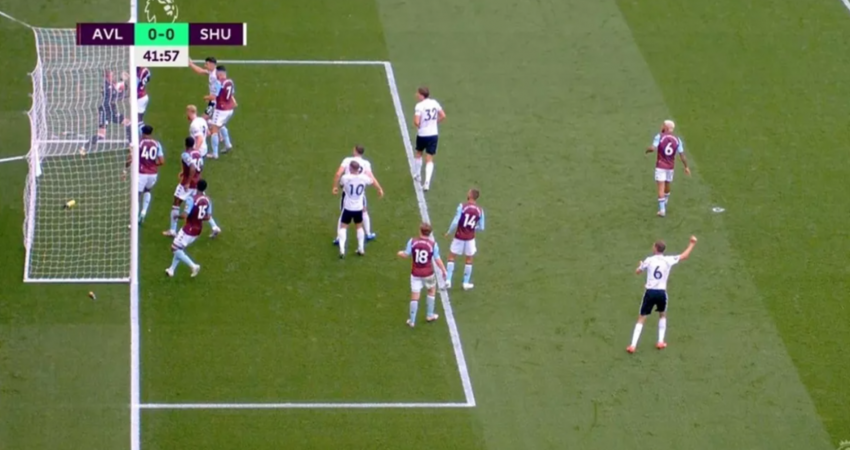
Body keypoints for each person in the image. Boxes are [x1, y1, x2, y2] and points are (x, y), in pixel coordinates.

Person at [627, 236, 698, 353]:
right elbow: (684, 256)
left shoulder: (649, 260)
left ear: (655, 248)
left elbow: (638, 271)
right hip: (661, 293)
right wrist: (692, 244)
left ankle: (633, 345)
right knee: (662, 315)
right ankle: (660, 341)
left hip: (650, 292)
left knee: (642, 318)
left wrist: (641, 265)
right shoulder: (668, 260)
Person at [397, 223, 447, 327]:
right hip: (428, 273)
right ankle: (429, 315)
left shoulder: (412, 241)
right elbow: (437, 259)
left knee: (415, 296)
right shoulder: (433, 244)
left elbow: (406, 254)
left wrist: (400, 253)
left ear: (420, 231)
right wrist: (443, 270)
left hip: (415, 274)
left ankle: (412, 320)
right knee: (431, 291)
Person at [166, 179, 216, 278]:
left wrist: (176, 216)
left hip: (189, 229)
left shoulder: (191, 199)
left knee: (174, 248)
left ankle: (193, 266)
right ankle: (171, 270)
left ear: (196, 186)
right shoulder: (208, 200)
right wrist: (199, 217)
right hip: (198, 230)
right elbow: (208, 217)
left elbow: (185, 215)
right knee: (179, 248)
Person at [332, 145, 379, 244]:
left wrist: (335, 187)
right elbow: (371, 177)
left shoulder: (347, 160)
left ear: (355, 151)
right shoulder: (366, 163)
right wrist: (379, 188)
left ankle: (338, 238)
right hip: (360, 194)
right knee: (364, 211)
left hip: (347, 192)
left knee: (343, 215)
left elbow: (338, 174)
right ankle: (368, 233)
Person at [336, 160, 383, 258]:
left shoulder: (345, 177)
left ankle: (342, 249)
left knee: (343, 227)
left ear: (350, 168)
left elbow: (341, 185)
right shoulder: (364, 178)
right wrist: (379, 189)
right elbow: (372, 181)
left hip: (348, 207)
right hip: (359, 207)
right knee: (359, 227)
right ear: (359, 169)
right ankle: (361, 248)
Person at [646, 120, 691, 217]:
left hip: (660, 166)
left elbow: (653, 148)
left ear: (666, 127)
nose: (661, 126)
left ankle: (662, 210)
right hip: (670, 166)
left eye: (663, 125)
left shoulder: (659, 136)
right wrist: (686, 167)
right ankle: (665, 201)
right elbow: (682, 155)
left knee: (660, 187)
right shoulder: (677, 139)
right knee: (667, 183)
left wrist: (647, 150)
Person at [444, 189, 485, 290]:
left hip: (459, 236)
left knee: (451, 256)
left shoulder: (462, 206)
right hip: (470, 238)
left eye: (468, 192)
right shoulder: (480, 210)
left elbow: (455, 221)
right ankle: (466, 283)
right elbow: (482, 227)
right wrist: (472, 228)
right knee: (469, 259)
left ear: (470, 195)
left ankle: (448, 280)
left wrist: (449, 231)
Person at [412, 87, 445, 191]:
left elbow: (416, 122)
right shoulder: (434, 103)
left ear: (422, 95)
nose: (417, 95)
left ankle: (418, 174)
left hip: (422, 134)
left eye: (418, 93)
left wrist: (420, 126)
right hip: (433, 134)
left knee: (418, 153)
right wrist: (434, 123)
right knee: (429, 158)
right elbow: (443, 115)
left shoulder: (419, 106)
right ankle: (427, 182)